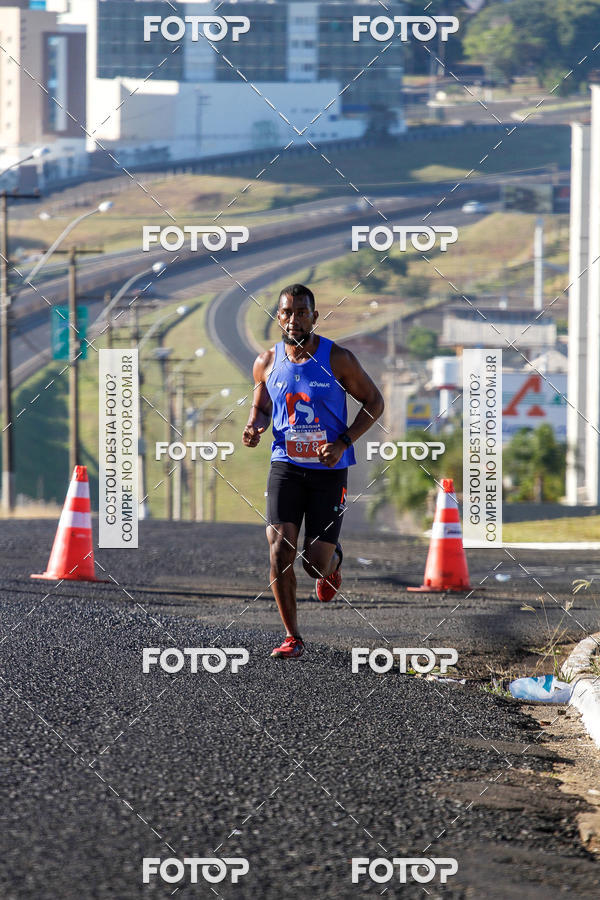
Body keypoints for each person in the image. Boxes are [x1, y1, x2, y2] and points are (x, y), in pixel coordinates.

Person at [242, 284, 384, 659]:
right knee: (279, 550)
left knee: (312, 564)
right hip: (285, 465)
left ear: (314, 317)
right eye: (287, 312)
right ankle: (293, 637)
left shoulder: (338, 359)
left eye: (302, 312)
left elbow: (374, 402)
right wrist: (254, 426)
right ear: (278, 317)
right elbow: (261, 406)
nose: (294, 319)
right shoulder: (266, 362)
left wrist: (344, 442)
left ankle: (333, 564)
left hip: (329, 470)